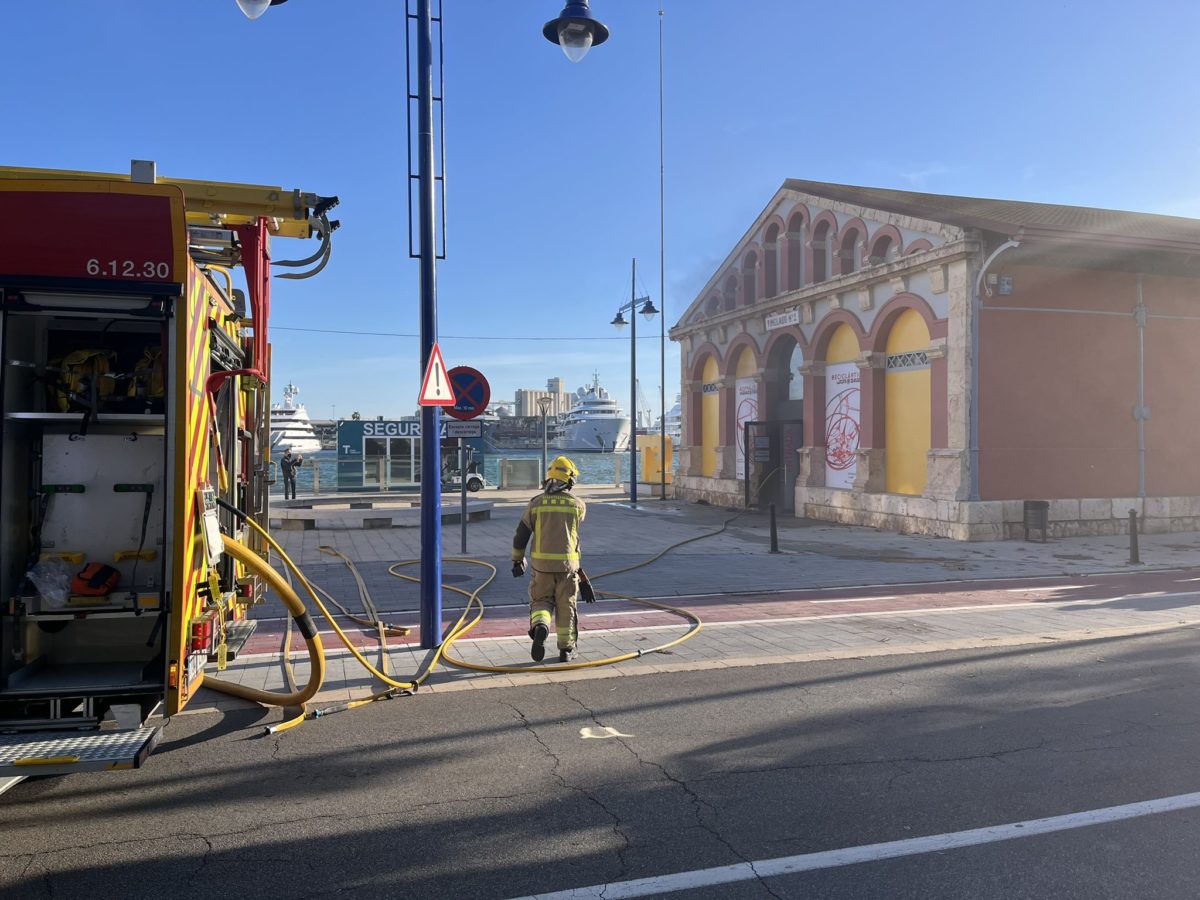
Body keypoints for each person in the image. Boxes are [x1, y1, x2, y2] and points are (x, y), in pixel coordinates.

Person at [511, 455, 593, 662]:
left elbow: (521, 534)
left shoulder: (535, 504)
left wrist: (517, 559)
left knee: (541, 602)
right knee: (566, 607)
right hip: (568, 568)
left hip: (541, 567)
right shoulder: (578, 505)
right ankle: (566, 650)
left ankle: (541, 627)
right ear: (571, 481)